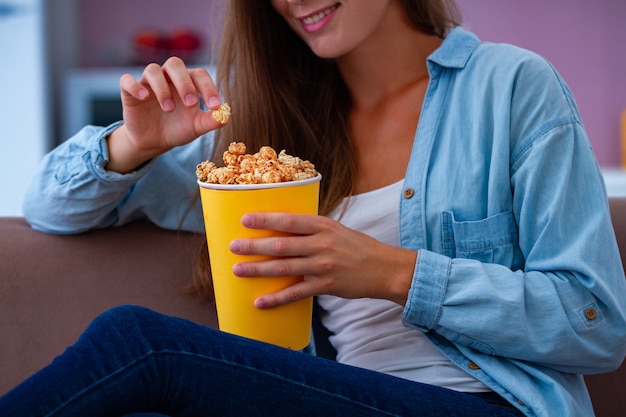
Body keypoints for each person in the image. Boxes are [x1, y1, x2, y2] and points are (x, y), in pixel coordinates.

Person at [2, 0, 625, 416]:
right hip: (341, 397)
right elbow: (52, 208)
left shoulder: (512, 85)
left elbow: (597, 324)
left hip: (487, 403)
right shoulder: (277, 135)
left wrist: (391, 272)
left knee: (138, 342)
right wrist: (132, 142)